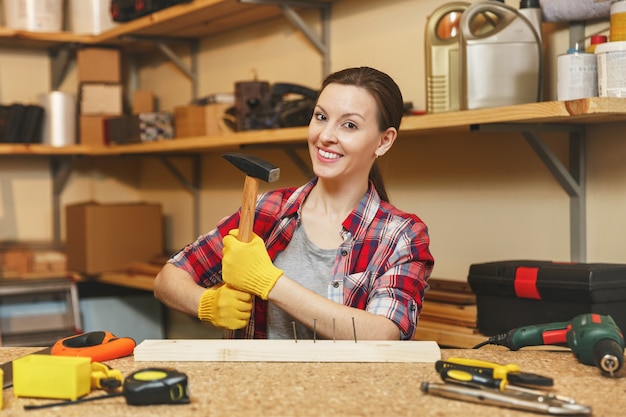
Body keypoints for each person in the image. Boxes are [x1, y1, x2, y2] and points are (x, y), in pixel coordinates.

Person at [153, 66, 434, 340]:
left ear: (384, 141)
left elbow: (383, 333)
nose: (325, 136)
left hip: (343, 387)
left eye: (349, 125)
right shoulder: (267, 211)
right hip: (249, 384)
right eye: (321, 117)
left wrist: (270, 282)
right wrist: (207, 303)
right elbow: (168, 279)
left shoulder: (400, 235)